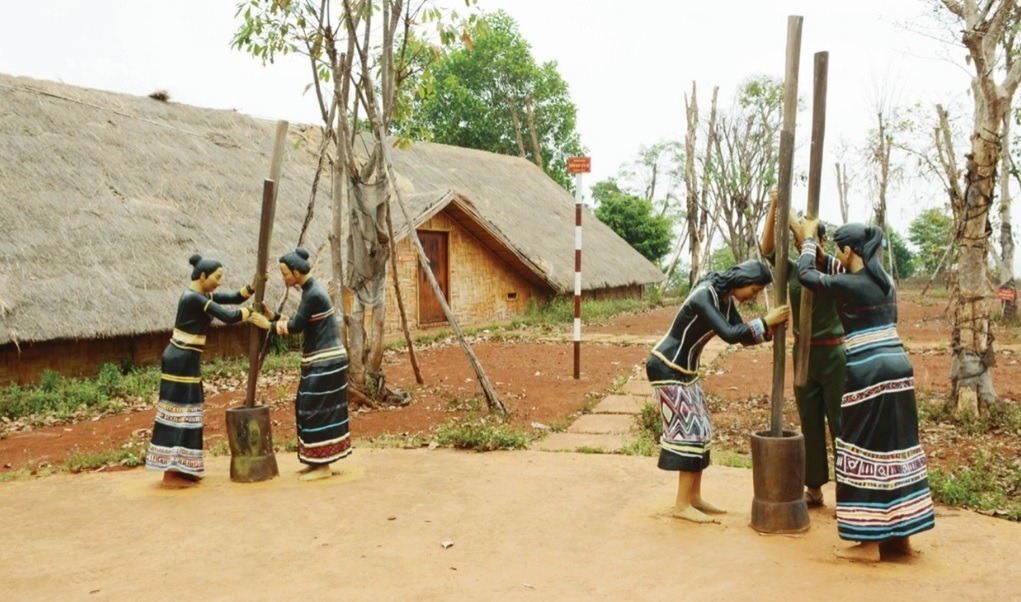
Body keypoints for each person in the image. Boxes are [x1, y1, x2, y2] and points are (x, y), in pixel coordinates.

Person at [796, 219, 935, 562]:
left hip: (868, 373)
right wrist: (812, 242)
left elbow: (807, 276)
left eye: (839, 250)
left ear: (848, 251)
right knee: (896, 450)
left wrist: (808, 241)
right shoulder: (883, 282)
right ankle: (899, 539)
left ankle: (868, 543)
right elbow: (833, 272)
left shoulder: (850, 284)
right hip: (899, 370)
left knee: (860, 450)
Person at [647, 260, 789, 523]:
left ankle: (694, 497)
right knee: (689, 432)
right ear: (742, 280)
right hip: (665, 366)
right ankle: (681, 505)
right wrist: (765, 320)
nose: (754, 296)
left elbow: (743, 336)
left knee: (701, 430)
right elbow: (729, 334)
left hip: (684, 370)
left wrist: (768, 331)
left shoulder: (725, 300)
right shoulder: (705, 296)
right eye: (755, 290)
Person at [146, 254, 270, 488]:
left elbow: (233, 298)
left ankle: (183, 468)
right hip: (179, 362)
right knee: (178, 413)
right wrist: (251, 313)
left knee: (191, 412)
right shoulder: (193, 299)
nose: (219, 282)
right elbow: (229, 316)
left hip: (187, 361)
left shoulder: (201, 296)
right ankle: (170, 474)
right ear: (203, 276)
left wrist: (253, 287)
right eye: (217, 277)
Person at [763, 194, 846, 508]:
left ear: (822, 241)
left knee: (840, 422)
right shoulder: (797, 269)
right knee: (810, 421)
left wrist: (803, 231)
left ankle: (849, 493)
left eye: (813, 239)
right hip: (804, 356)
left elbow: (815, 253)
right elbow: (768, 248)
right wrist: (776, 208)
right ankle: (814, 487)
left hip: (835, 356)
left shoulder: (832, 269)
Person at [263, 247, 351, 481]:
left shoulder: (313, 294)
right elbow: (299, 320)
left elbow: (295, 327)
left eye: (284, 274)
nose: (284, 278)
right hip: (322, 360)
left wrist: (268, 326)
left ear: (295, 271)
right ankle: (315, 461)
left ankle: (323, 466)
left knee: (316, 409)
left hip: (327, 361)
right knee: (306, 407)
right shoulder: (310, 291)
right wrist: (272, 316)